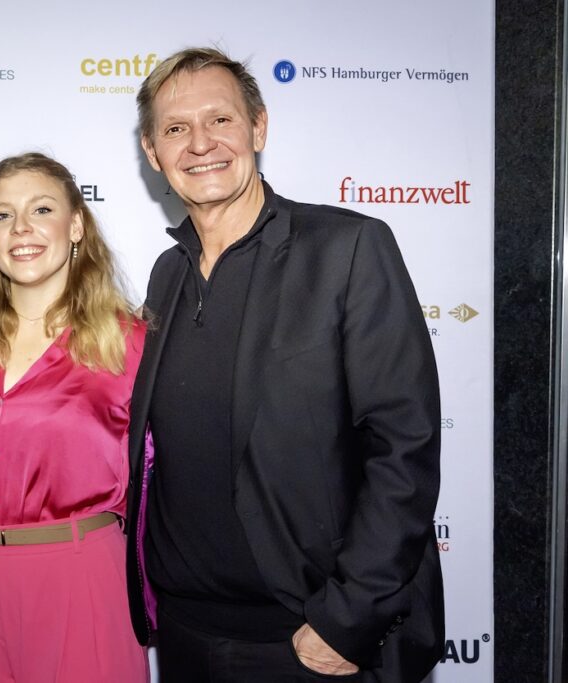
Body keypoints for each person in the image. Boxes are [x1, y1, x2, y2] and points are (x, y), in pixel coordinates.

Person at [124, 48, 445, 682]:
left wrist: (347, 621)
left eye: (220, 119)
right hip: (184, 634)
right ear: (152, 152)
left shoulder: (347, 249)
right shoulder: (167, 274)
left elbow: (403, 447)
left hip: (304, 641)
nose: (200, 144)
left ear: (259, 127)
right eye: (176, 128)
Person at [0, 153, 149, 682]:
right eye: (2, 215)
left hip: (79, 575)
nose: (20, 228)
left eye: (41, 209)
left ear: (76, 225)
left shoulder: (128, 343)